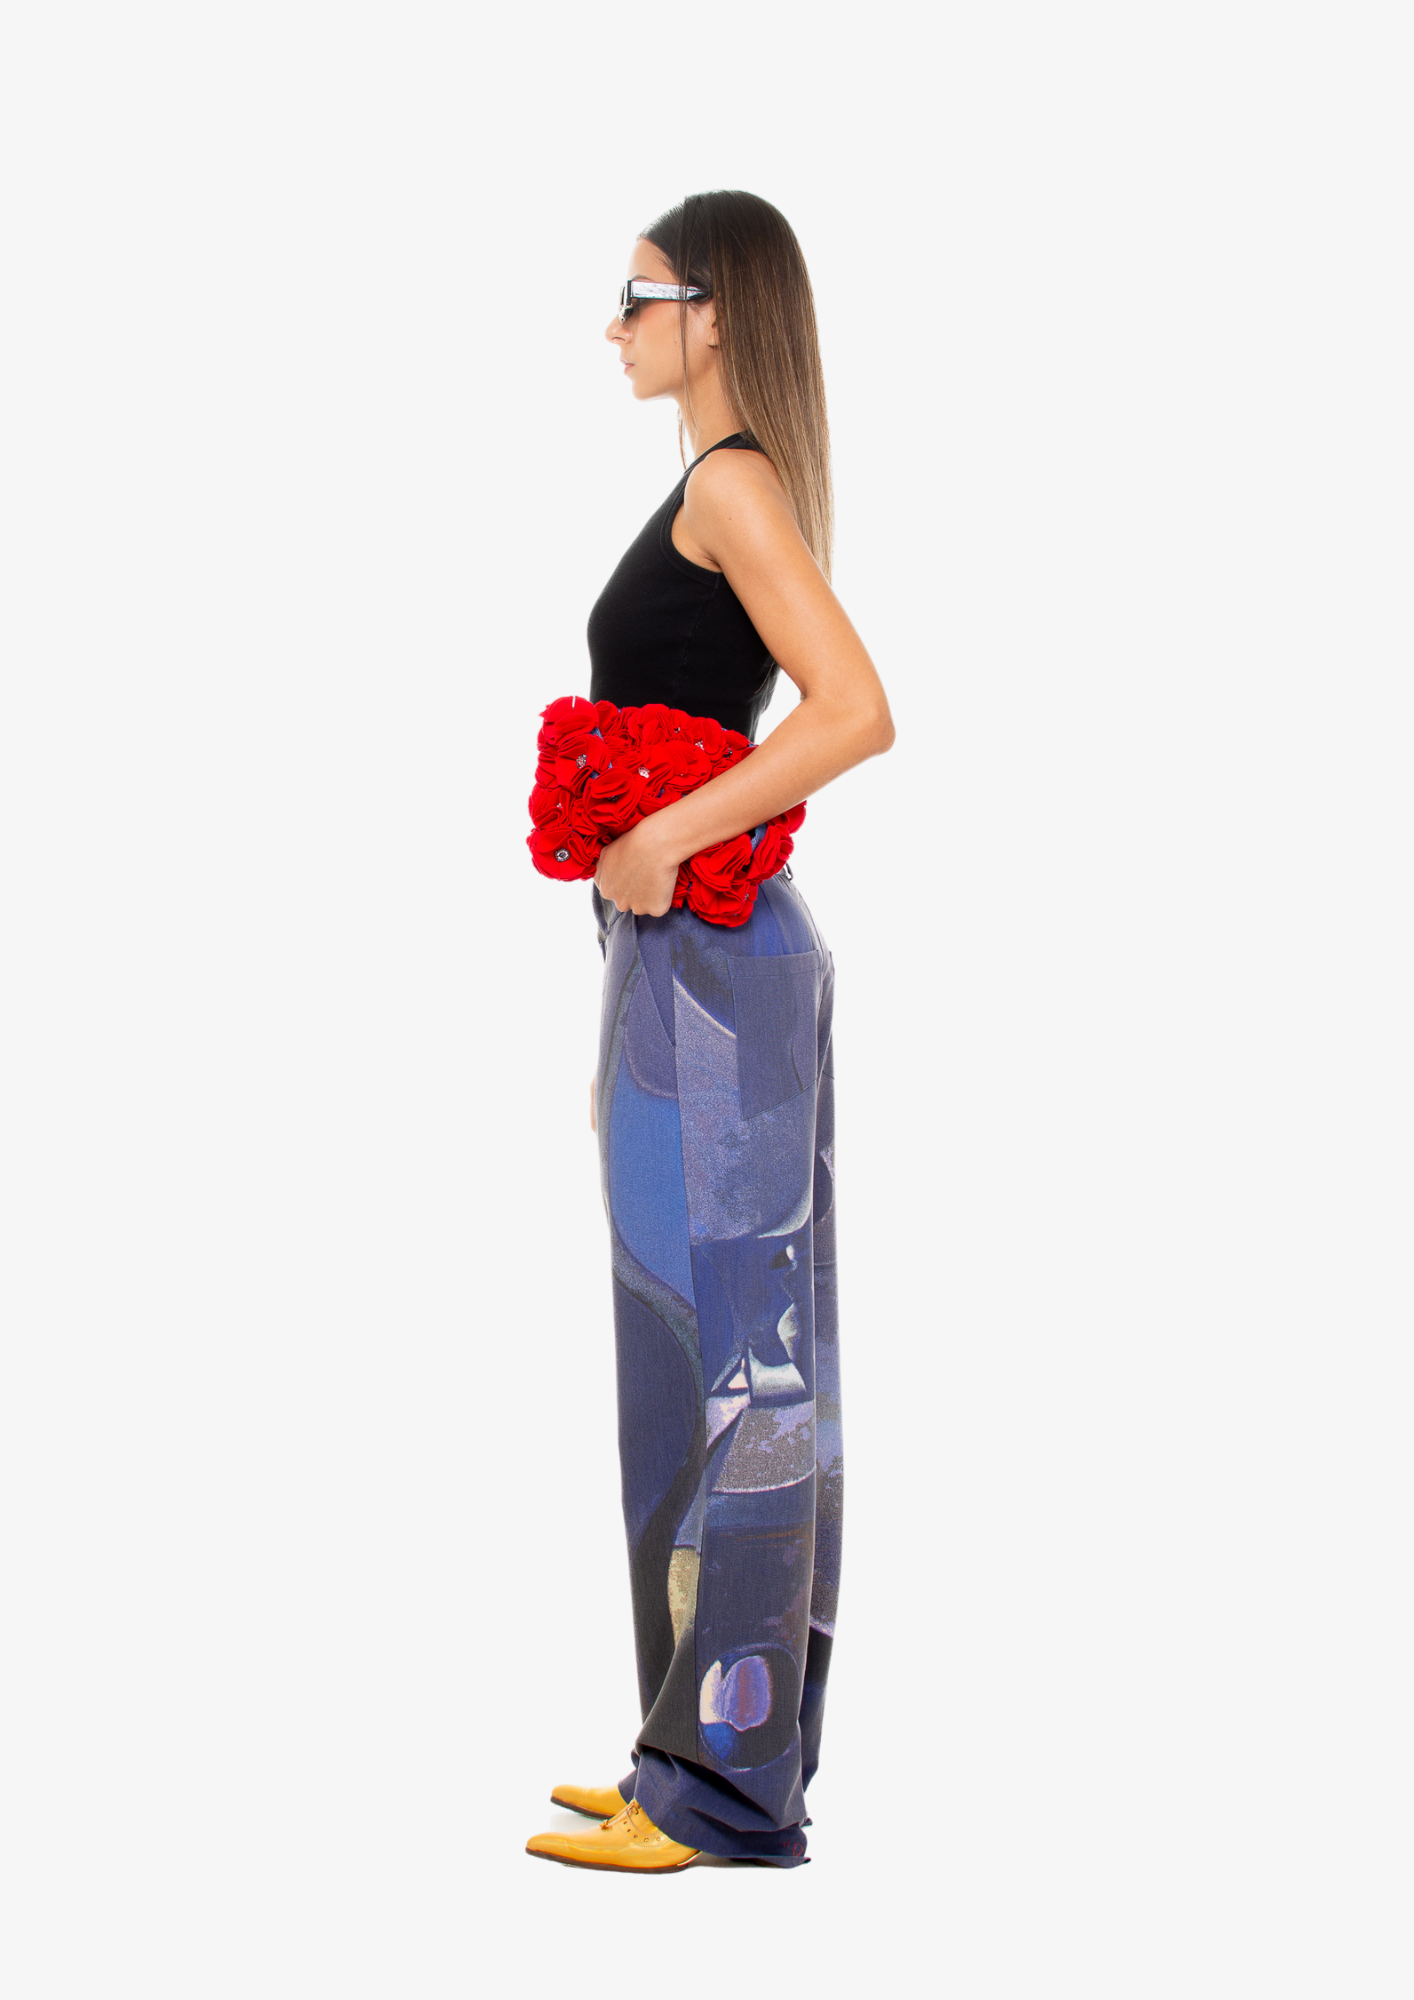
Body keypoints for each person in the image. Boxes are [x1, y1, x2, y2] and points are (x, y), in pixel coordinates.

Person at [525, 190, 895, 1873]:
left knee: (736, 1371)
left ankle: (722, 1790)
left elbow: (855, 709)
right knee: (696, 1364)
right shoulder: (713, 485)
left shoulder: (730, 486)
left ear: (718, 310)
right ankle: (696, 1751)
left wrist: (666, 834)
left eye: (641, 294)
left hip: (719, 969)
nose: (615, 324)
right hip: (697, 967)